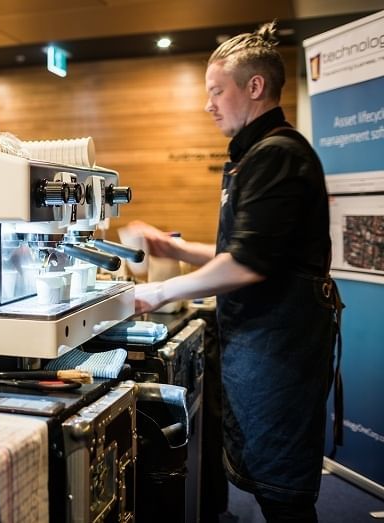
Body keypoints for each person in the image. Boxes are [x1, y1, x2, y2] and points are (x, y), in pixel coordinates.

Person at [126, 21, 342, 523]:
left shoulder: (276, 155)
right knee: (268, 478)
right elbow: (243, 251)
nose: (208, 104)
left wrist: (158, 291)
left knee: (282, 492)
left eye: (216, 91)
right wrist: (170, 247)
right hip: (265, 344)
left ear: (255, 87)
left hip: (280, 351)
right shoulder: (257, 155)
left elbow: (247, 264)